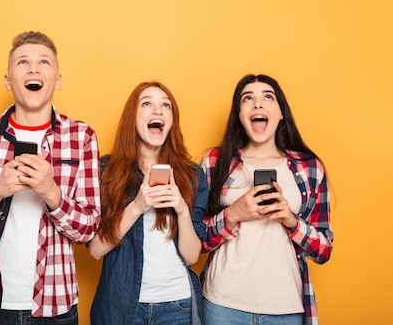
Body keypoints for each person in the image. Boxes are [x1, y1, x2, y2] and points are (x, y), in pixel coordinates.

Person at [0, 31, 100, 324]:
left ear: (58, 80)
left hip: (55, 304)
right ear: (8, 80)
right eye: (23, 62)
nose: (34, 69)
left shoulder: (81, 137)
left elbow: (88, 228)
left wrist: (51, 193)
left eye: (44, 62)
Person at [200, 74, 333, 325]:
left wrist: (291, 221)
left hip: (285, 307)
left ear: (281, 113)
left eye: (267, 97)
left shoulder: (310, 168)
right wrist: (234, 213)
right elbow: (196, 241)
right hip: (222, 304)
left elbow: (324, 250)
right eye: (247, 99)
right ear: (239, 115)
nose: (257, 104)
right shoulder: (215, 162)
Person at [88, 81, 208, 325]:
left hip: (178, 306)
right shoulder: (107, 170)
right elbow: (96, 249)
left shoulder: (191, 174)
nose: (158, 111)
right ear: (133, 117)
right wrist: (137, 206)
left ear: (172, 121)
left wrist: (182, 211)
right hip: (120, 305)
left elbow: (192, 255)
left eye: (166, 105)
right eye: (147, 104)